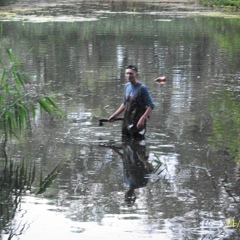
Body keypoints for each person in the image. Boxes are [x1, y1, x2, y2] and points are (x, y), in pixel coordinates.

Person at [109, 65, 155, 139]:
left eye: (131, 73)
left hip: (138, 121)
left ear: (136, 74)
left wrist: (142, 119)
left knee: (138, 143)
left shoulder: (142, 88)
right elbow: (124, 104)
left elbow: (151, 105)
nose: (129, 75)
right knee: (125, 141)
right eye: (127, 73)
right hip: (127, 120)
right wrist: (114, 115)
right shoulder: (127, 86)